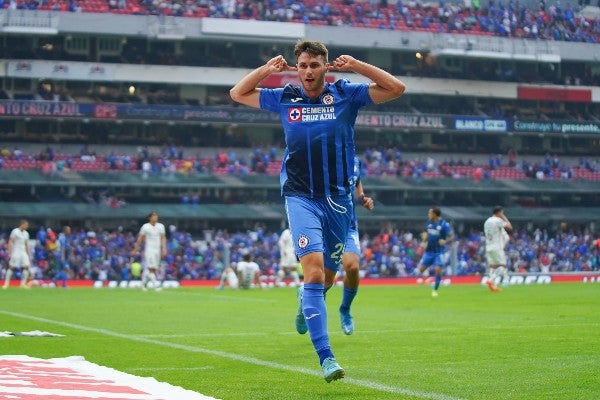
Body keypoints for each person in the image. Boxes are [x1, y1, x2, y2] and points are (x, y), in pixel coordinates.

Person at [230, 39, 405, 382]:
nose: (308, 71)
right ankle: (326, 358)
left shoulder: (346, 94)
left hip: (339, 201)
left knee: (326, 278)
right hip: (300, 197)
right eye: (303, 66)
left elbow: (396, 88)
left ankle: (306, 304)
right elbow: (238, 93)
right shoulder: (284, 97)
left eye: (314, 65)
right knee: (312, 274)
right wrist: (268, 69)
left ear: (325, 67)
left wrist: (356, 64)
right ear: (297, 69)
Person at [296, 156, 374, 336]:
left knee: (352, 267)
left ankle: (345, 310)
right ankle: (305, 303)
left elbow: (356, 184)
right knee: (325, 280)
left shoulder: (355, 161)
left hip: (347, 226)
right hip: (322, 224)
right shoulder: (322, 157)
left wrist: (363, 199)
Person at [415, 207, 453, 297]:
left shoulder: (444, 224)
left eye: (430, 213)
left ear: (435, 214)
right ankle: (431, 280)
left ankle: (435, 289)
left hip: (439, 252)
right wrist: (423, 242)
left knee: (438, 269)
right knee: (421, 270)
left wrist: (445, 241)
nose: (428, 215)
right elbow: (426, 234)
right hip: (428, 252)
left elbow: (451, 236)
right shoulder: (429, 222)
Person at [131, 211, 166, 291]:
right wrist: (136, 249)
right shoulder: (145, 227)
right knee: (150, 268)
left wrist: (164, 248)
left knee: (153, 269)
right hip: (149, 249)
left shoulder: (161, 226)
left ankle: (143, 284)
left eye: (156, 216)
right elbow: (140, 239)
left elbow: (163, 238)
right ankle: (156, 286)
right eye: (154, 216)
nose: (156, 217)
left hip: (157, 249)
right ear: (149, 218)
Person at [483, 205, 512, 291]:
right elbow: (509, 227)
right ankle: (491, 280)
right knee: (503, 265)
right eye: (502, 213)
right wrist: (504, 217)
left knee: (493, 266)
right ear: (499, 212)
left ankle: (493, 287)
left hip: (488, 246)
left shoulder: (487, 221)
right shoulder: (498, 220)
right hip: (496, 246)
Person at [3, 220, 31, 289]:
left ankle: (23, 284)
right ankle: (6, 284)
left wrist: (28, 254)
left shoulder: (26, 233)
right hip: (16, 251)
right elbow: (10, 241)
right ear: (22, 225)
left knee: (26, 266)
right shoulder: (15, 231)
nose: (27, 227)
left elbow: (27, 244)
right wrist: (10, 252)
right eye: (26, 225)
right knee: (12, 267)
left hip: (23, 252)